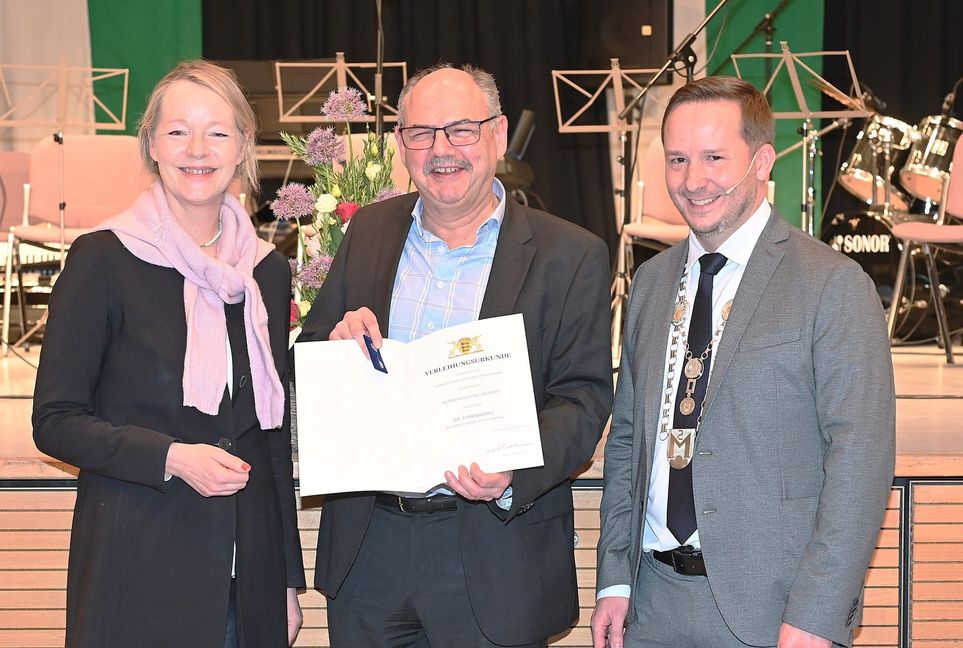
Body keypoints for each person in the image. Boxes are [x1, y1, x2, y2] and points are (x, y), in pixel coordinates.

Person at [298, 63, 613, 647]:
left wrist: (513, 469)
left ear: (496, 133)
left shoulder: (570, 254)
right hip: (371, 549)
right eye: (421, 133)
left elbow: (583, 398)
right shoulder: (367, 232)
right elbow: (312, 351)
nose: (441, 150)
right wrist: (337, 343)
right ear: (401, 145)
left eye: (461, 130)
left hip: (496, 551)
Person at [592, 76, 896, 648]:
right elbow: (629, 441)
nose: (692, 179)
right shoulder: (653, 283)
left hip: (774, 615)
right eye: (678, 159)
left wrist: (817, 614)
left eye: (714, 157)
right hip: (651, 606)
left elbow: (859, 461)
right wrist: (614, 578)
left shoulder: (832, 284)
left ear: (761, 161)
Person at [32, 60, 304, 648]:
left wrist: (285, 581)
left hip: (247, 575)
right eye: (178, 131)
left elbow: (269, 434)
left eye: (218, 132)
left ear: (243, 148)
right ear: (152, 144)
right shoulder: (102, 259)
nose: (197, 149)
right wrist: (171, 457)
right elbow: (55, 422)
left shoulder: (266, 271)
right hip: (137, 568)